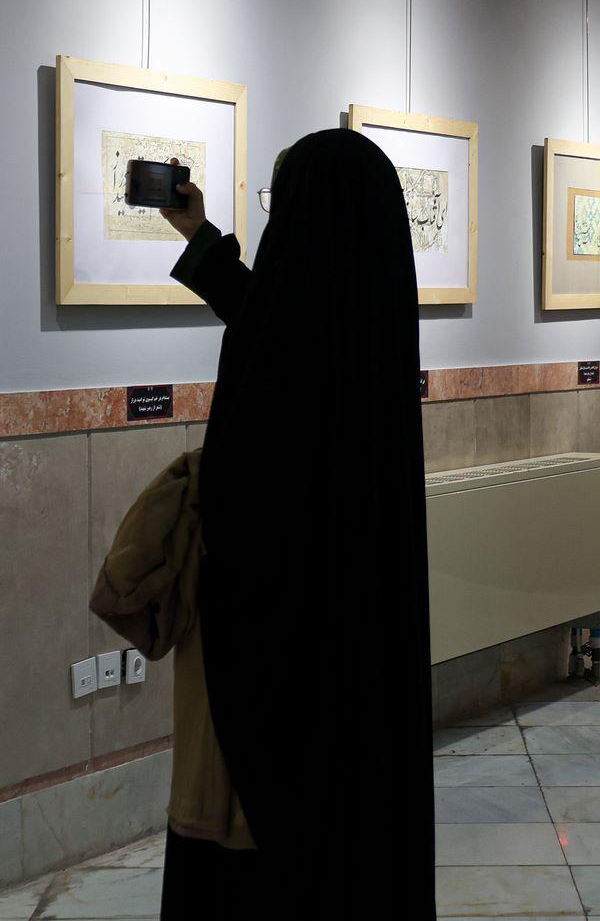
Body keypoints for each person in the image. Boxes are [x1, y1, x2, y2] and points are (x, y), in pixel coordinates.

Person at [155, 129, 433, 916]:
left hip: (281, 680)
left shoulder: (294, 352)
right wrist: (202, 238)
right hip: (359, 665)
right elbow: (272, 320)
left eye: (281, 204)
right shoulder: (369, 328)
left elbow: (248, 502)